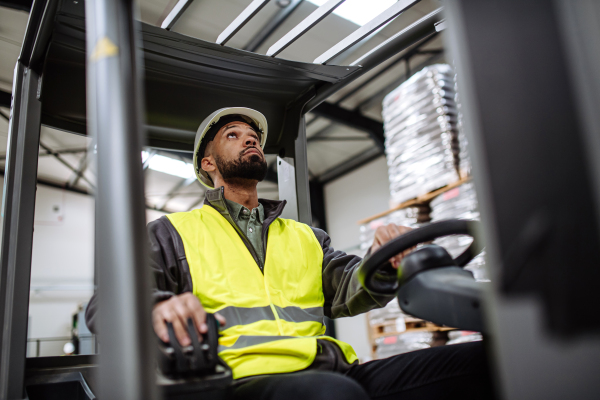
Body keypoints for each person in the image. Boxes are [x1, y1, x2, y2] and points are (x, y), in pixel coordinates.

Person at [85, 107, 495, 399]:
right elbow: (106, 304)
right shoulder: (171, 234)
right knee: (332, 394)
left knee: (490, 359)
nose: (249, 139)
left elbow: (348, 288)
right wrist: (156, 308)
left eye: (254, 137)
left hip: (332, 369)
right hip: (237, 381)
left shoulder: (304, 236)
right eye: (234, 135)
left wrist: (382, 260)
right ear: (208, 162)